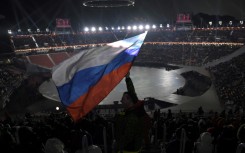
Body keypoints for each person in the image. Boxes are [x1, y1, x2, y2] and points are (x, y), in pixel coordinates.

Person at [114, 72, 152, 153]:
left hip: (129, 150)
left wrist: (118, 146)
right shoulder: (134, 108)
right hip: (133, 147)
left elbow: (128, 137)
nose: (121, 101)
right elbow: (131, 91)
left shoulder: (133, 116)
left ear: (129, 100)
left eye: (123, 99)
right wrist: (127, 78)